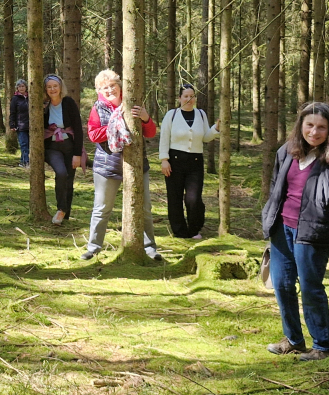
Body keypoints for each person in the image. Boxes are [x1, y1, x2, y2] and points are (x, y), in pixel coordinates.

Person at [262, 102, 329, 361]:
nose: (314, 132)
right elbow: (276, 187)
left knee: (310, 287)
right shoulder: (286, 151)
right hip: (282, 227)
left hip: (313, 232)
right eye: (310, 125)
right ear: (301, 125)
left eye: (321, 127)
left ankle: (322, 346)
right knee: (282, 285)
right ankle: (294, 340)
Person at [81, 69, 161, 261]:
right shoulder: (98, 108)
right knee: (102, 208)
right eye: (104, 88)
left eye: (112, 86)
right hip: (107, 166)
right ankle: (93, 247)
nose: (110, 90)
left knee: (144, 208)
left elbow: (150, 133)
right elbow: (93, 135)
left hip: (136, 165)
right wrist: (115, 124)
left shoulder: (132, 104)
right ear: (99, 90)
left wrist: (145, 118)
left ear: (119, 86)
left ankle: (149, 248)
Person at [159, 83, 220, 239]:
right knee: (175, 197)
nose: (189, 99)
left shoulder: (200, 114)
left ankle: (194, 229)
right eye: (185, 96)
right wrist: (164, 159)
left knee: (193, 198)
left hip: (195, 162)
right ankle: (179, 231)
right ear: (179, 98)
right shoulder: (172, 115)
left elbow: (205, 137)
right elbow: (164, 138)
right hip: (174, 161)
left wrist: (216, 129)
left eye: (191, 96)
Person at [43, 75, 83, 225]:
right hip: (52, 147)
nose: (52, 89)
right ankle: (61, 209)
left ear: (60, 87)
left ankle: (65, 214)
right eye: (49, 87)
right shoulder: (43, 105)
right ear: (45, 89)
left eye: (55, 86)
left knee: (69, 180)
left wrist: (77, 154)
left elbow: (78, 128)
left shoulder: (68, 103)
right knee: (61, 173)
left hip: (69, 146)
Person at [9, 79, 30, 167]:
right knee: (24, 144)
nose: (21, 88)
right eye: (19, 86)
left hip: (31, 125)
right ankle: (26, 162)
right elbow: (12, 112)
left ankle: (23, 161)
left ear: (26, 87)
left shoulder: (30, 97)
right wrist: (12, 124)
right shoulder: (15, 98)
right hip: (21, 125)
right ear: (17, 88)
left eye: (23, 86)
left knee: (29, 145)